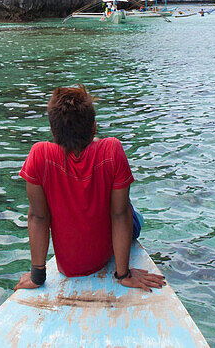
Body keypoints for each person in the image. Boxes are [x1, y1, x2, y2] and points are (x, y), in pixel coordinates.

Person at [15, 86, 165, 292]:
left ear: (52, 130)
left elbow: (38, 218)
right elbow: (120, 214)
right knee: (130, 211)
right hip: (105, 254)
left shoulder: (38, 156)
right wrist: (124, 275)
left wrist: (37, 277)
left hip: (69, 266)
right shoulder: (112, 150)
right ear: (94, 126)